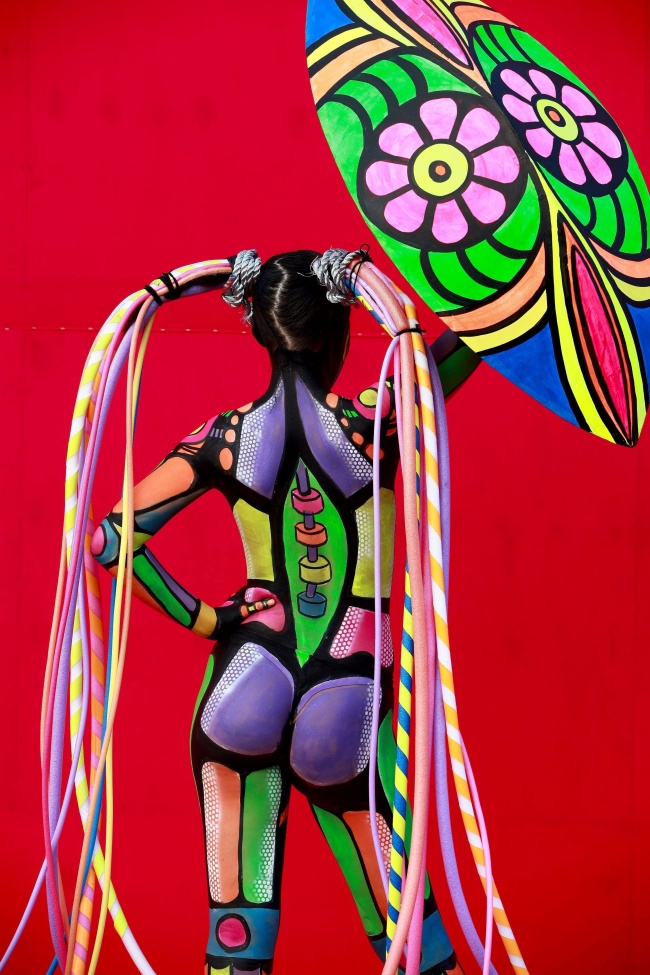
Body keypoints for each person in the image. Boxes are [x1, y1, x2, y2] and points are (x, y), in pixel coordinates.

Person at [91, 248, 479, 975]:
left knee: (237, 936)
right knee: (408, 937)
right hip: (347, 687)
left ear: (259, 331)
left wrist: (211, 621)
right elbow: (476, 335)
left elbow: (111, 540)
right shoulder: (378, 422)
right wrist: (492, 289)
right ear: (337, 331)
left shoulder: (224, 438)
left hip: (244, 681)